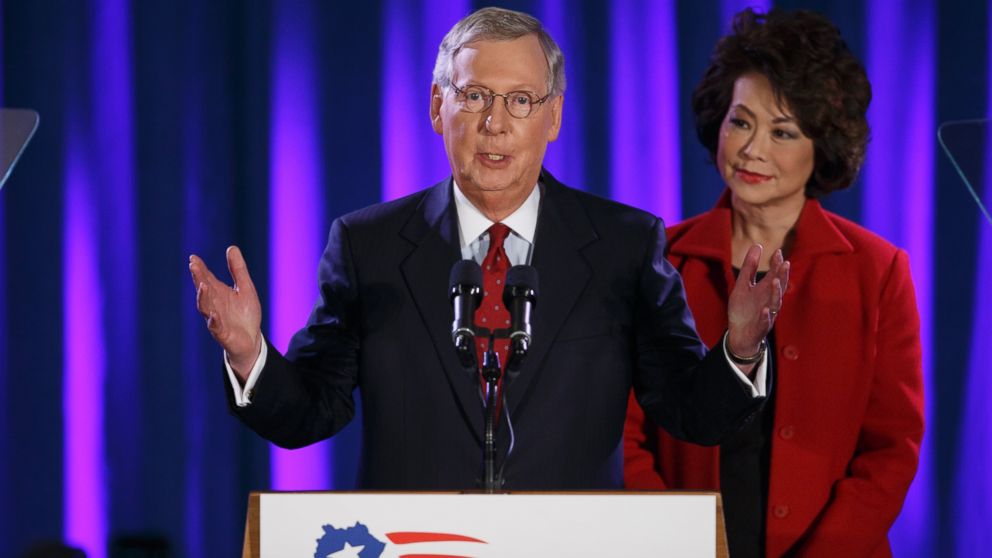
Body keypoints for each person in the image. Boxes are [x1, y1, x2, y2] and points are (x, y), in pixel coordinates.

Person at [189, 7, 788, 491]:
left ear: (553, 117)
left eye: (521, 100)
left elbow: (687, 411)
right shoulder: (366, 245)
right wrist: (250, 357)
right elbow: (312, 411)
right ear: (436, 107)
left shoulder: (624, 246)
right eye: (474, 96)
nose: (495, 124)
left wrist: (738, 349)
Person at [623, 8, 924, 557]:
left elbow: (890, 449)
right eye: (741, 121)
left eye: (782, 132)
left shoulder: (878, 271)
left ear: (823, 146)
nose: (752, 149)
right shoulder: (656, 259)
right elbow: (625, 440)